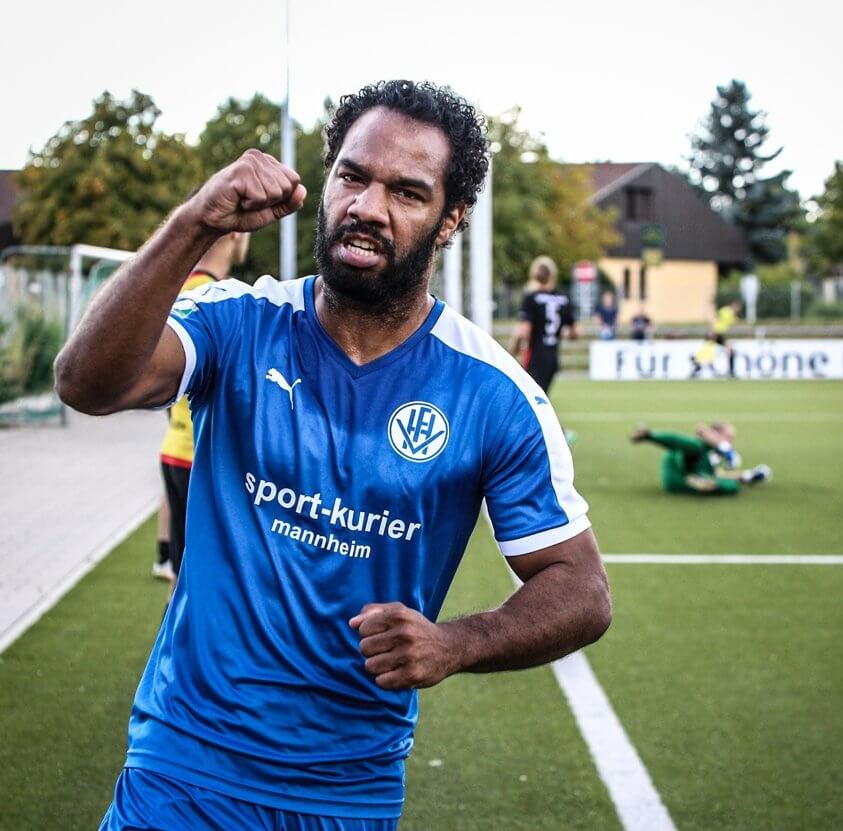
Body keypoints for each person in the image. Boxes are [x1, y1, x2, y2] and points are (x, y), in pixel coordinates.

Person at [55, 79, 610, 831]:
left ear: (451, 220)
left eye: (407, 192)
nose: (367, 207)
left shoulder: (495, 395)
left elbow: (581, 587)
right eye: (353, 175)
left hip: (347, 791)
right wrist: (193, 222)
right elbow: (86, 382)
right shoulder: (240, 320)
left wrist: (458, 642)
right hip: (182, 767)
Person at [155, 229, 250, 591]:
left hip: (175, 448)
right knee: (200, 585)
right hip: (202, 459)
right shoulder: (212, 298)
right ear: (236, 234)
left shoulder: (179, 288)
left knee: (183, 579)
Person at [630, 422, 771, 495]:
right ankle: (648, 435)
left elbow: (718, 473)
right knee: (694, 448)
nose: (730, 441)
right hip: (678, 476)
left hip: (690, 475)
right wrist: (651, 437)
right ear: (715, 434)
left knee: (731, 486)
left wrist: (745, 476)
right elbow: (679, 439)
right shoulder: (698, 445)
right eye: (728, 437)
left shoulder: (712, 452)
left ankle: (700, 481)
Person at [510, 255, 580, 394]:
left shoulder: (532, 298)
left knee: (529, 399)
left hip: (535, 356)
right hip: (552, 358)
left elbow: (524, 332)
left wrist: (513, 350)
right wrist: (559, 334)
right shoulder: (563, 299)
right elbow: (576, 332)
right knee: (539, 397)